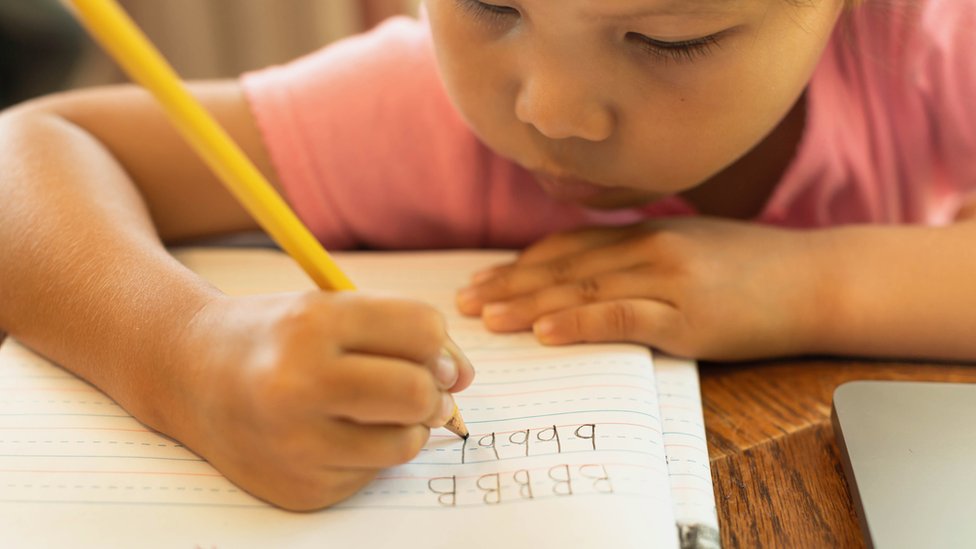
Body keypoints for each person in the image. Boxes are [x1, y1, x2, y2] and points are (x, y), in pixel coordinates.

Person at [0, 0, 973, 510]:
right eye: (487, 0)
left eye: (669, 39)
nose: (548, 109)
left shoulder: (926, 48)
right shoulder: (409, 111)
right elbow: (27, 154)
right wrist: (186, 356)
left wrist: (814, 283)